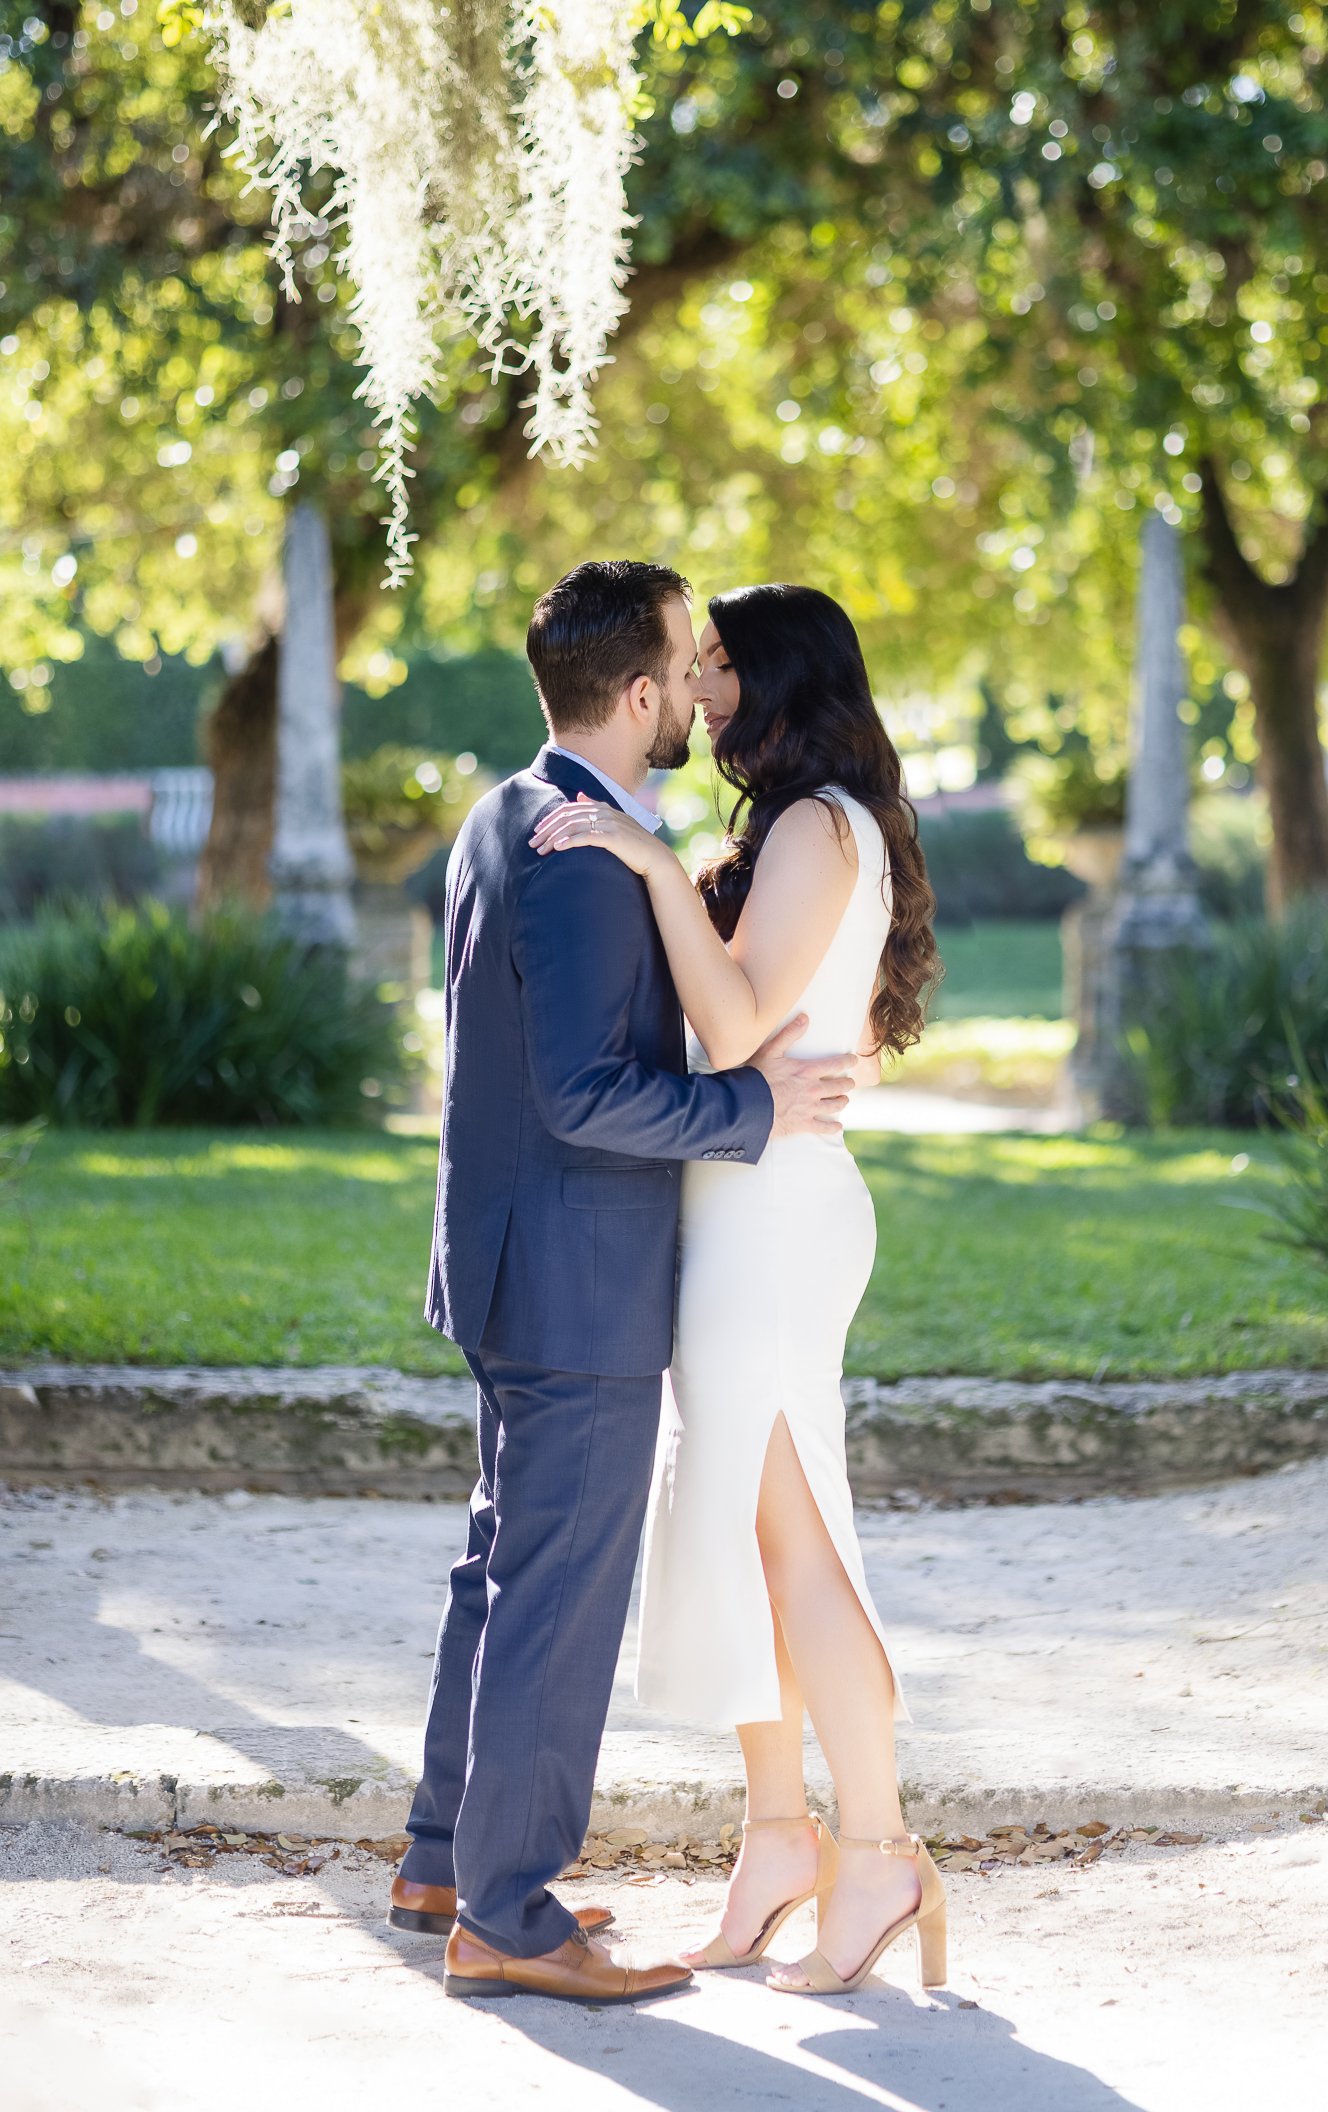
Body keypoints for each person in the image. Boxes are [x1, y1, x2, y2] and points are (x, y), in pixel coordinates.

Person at [390, 560, 859, 2006]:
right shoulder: (589, 850)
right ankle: (513, 1918)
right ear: (641, 692)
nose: (700, 686)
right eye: (684, 660)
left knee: (498, 1567)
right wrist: (752, 1113)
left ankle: (442, 1859)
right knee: (554, 1594)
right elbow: (591, 1093)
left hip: (506, 1265)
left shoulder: (505, 810)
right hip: (577, 1282)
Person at [530, 581, 946, 1997]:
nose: (693, 686)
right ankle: (779, 1834)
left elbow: (730, 1022)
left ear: (775, 679)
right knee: (740, 1533)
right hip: (738, 1206)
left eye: (714, 664)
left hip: (776, 1220)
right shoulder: (791, 829)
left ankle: (878, 1848)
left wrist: (648, 864)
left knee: (796, 1538)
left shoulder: (824, 828)